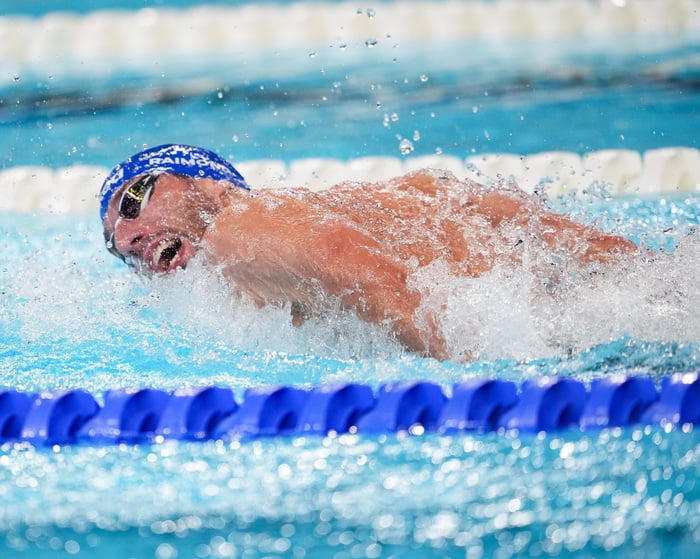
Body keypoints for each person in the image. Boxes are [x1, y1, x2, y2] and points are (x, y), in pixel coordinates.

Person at [100, 144, 637, 360]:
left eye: (132, 201)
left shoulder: (239, 233)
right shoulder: (277, 226)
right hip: (519, 247)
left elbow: (383, 282)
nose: (127, 240)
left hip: (528, 295)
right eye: (116, 251)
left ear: (203, 181)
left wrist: (473, 381)